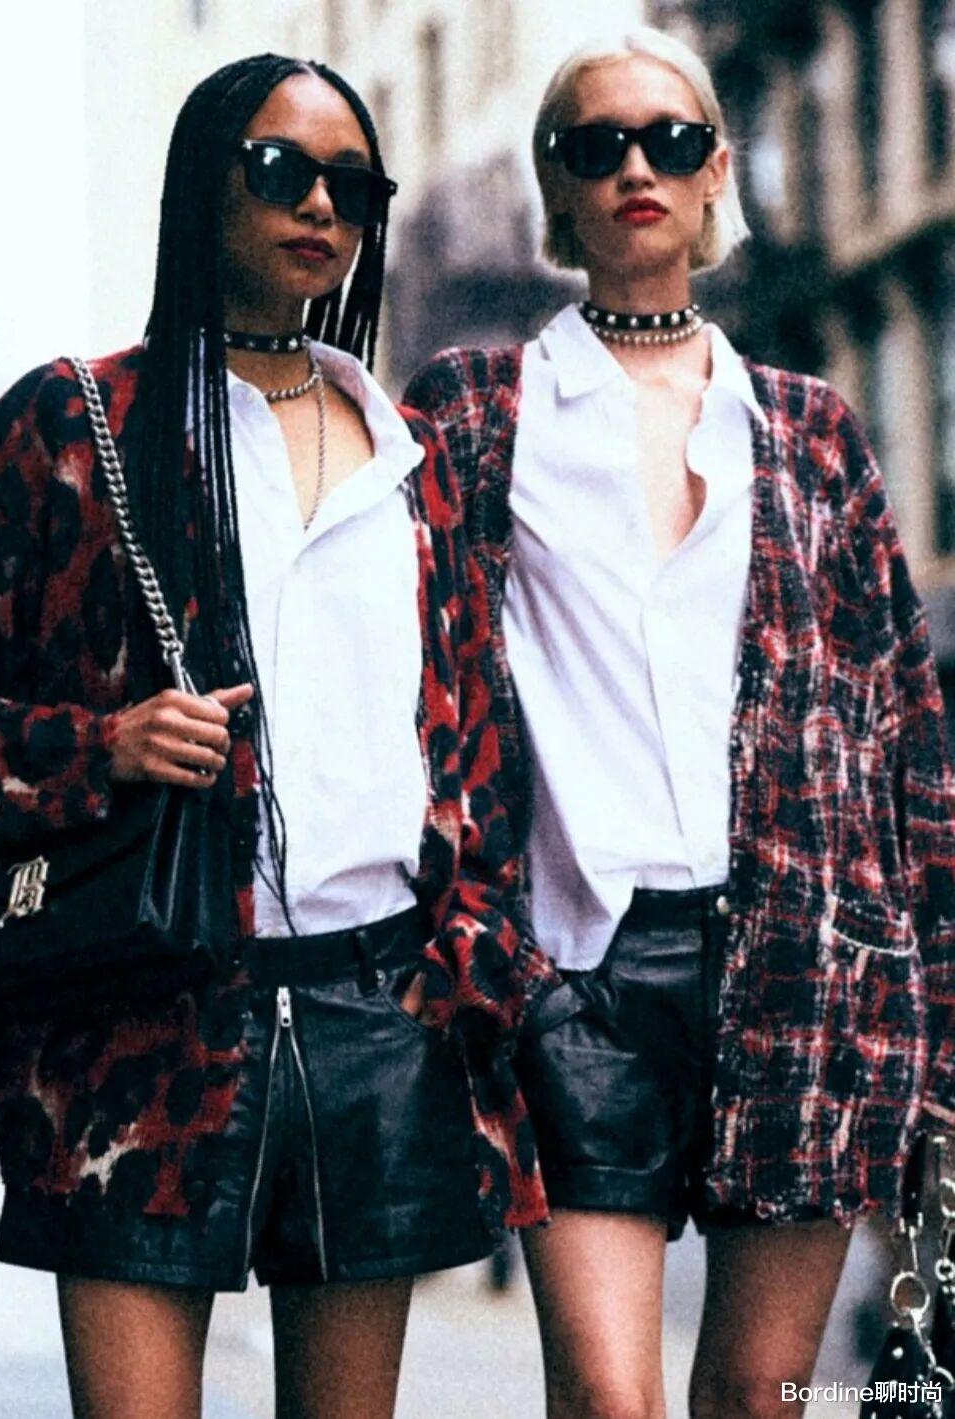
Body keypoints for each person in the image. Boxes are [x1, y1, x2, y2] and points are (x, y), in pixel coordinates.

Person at [0, 55, 551, 1419]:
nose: (322, 205)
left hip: (374, 1013)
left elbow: (477, 747)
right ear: (202, 185)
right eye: (281, 169)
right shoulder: (70, 429)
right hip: (138, 1012)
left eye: (353, 184)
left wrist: (463, 965)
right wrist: (99, 748)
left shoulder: (412, 463)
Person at [404, 24, 955, 1419]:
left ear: (717, 174)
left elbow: (905, 739)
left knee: (763, 1401)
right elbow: (403, 682)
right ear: (558, 183)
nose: (637, 168)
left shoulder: (810, 429)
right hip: (576, 976)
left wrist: (937, 1019)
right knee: (608, 1399)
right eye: (598, 145)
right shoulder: (474, 414)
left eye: (672, 139)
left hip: (800, 969)